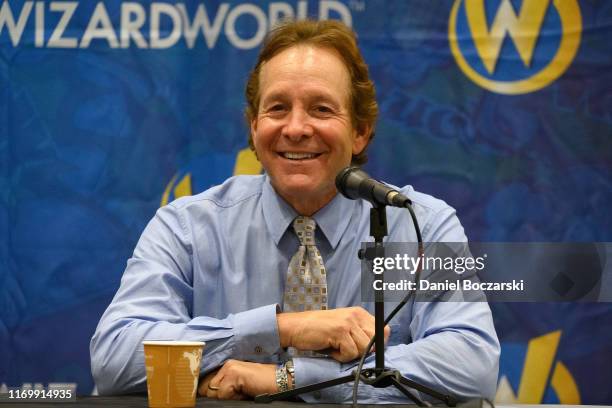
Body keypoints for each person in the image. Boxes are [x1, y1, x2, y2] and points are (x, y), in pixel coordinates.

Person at [90, 19, 499, 403]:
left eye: (322, 109)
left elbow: (472, 361)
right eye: (277, 108)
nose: (296, 128)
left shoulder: (418, 224)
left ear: (360, 131)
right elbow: (114, 358)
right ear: (254, 127)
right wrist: (280, 328)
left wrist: (289, 378)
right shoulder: (189, 227)